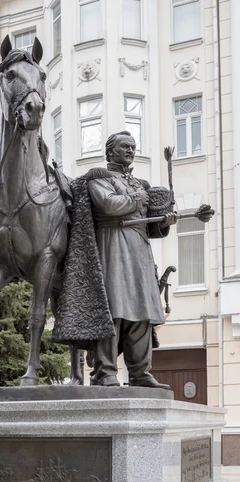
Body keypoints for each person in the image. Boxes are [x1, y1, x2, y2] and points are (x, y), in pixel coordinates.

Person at [87, 131, 176, 388]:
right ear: (110, 151)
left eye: (133, 147)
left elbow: (151, 227)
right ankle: (106, 372)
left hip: (140, 250)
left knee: (141, 311)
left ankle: (140, 372)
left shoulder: (140, 183)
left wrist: (164, 222)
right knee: (113, 309)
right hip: (113, 246)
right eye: (125, 146)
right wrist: (137, 198)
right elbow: (108, 205)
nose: (130, 150)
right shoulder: (100, 177)